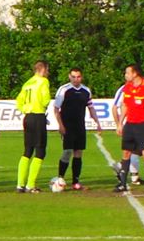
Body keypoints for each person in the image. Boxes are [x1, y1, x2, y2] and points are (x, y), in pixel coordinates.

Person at [52, 68, 102, 191]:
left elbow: (91, 107)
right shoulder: (64, 90)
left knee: (78, 153)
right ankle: (60, 178)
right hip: (67, 126)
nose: (76, 79)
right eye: (73, 77)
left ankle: (76, 182)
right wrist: (61, 125)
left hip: (80, 126)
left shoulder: (86, 91)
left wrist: (97, 122)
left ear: (81, 77)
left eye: (78, 77)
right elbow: (56, 109)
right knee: (67, 151)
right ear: (69, 77)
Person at [114, 64, 144, 193]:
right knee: (126, 152)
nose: (125, 75)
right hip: (130, 125)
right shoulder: (127, 87)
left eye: (127, 73)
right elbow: (125, 105)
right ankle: (123, 183)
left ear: (135, 74)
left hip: (143, 125)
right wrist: (120, 123)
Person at [15, 60, 52, 193]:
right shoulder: (43, 81)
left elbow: (19, 101)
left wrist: (25, 109)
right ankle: (30, 185)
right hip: (38, 117)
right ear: (42, 69)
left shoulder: (27, 83)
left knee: (27, 151)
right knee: (40, 151)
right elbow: (45, 100)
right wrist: (43, 105)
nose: (48, 72)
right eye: (47, 70)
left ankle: (20, 184)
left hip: (28, 117)